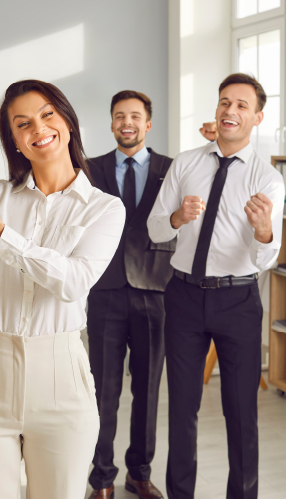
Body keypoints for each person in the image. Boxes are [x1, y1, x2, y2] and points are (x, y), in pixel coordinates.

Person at [0, 79, 126, 499]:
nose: (38, 128)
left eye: (47, 114)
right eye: (22, 123)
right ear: (13, 141)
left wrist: (2, 236)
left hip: (62, 377)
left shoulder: (106, 208)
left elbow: (72, 282)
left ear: (67, 121)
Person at [147, 73, 285, 499]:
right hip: (184, 295)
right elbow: (154, 229)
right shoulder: (185, 163)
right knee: (183, 409)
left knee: (241, 412)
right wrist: (176, 218)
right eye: (225, 102)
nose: (230, 110)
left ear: (257, 117)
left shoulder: (268, 179)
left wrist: (264, 231)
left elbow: (267, 257)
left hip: (238, 301)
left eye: (242, 105)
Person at [86, 91, 174, 499]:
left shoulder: (171, 170)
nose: (127, 122)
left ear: (148, 124)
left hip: (155, 289)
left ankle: (140, 472)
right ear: (111, 123)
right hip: (104, 290)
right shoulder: (89, 169)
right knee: (103, 390)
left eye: (135, 116)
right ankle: (101, 477)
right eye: (120, 116)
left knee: (148, 388)